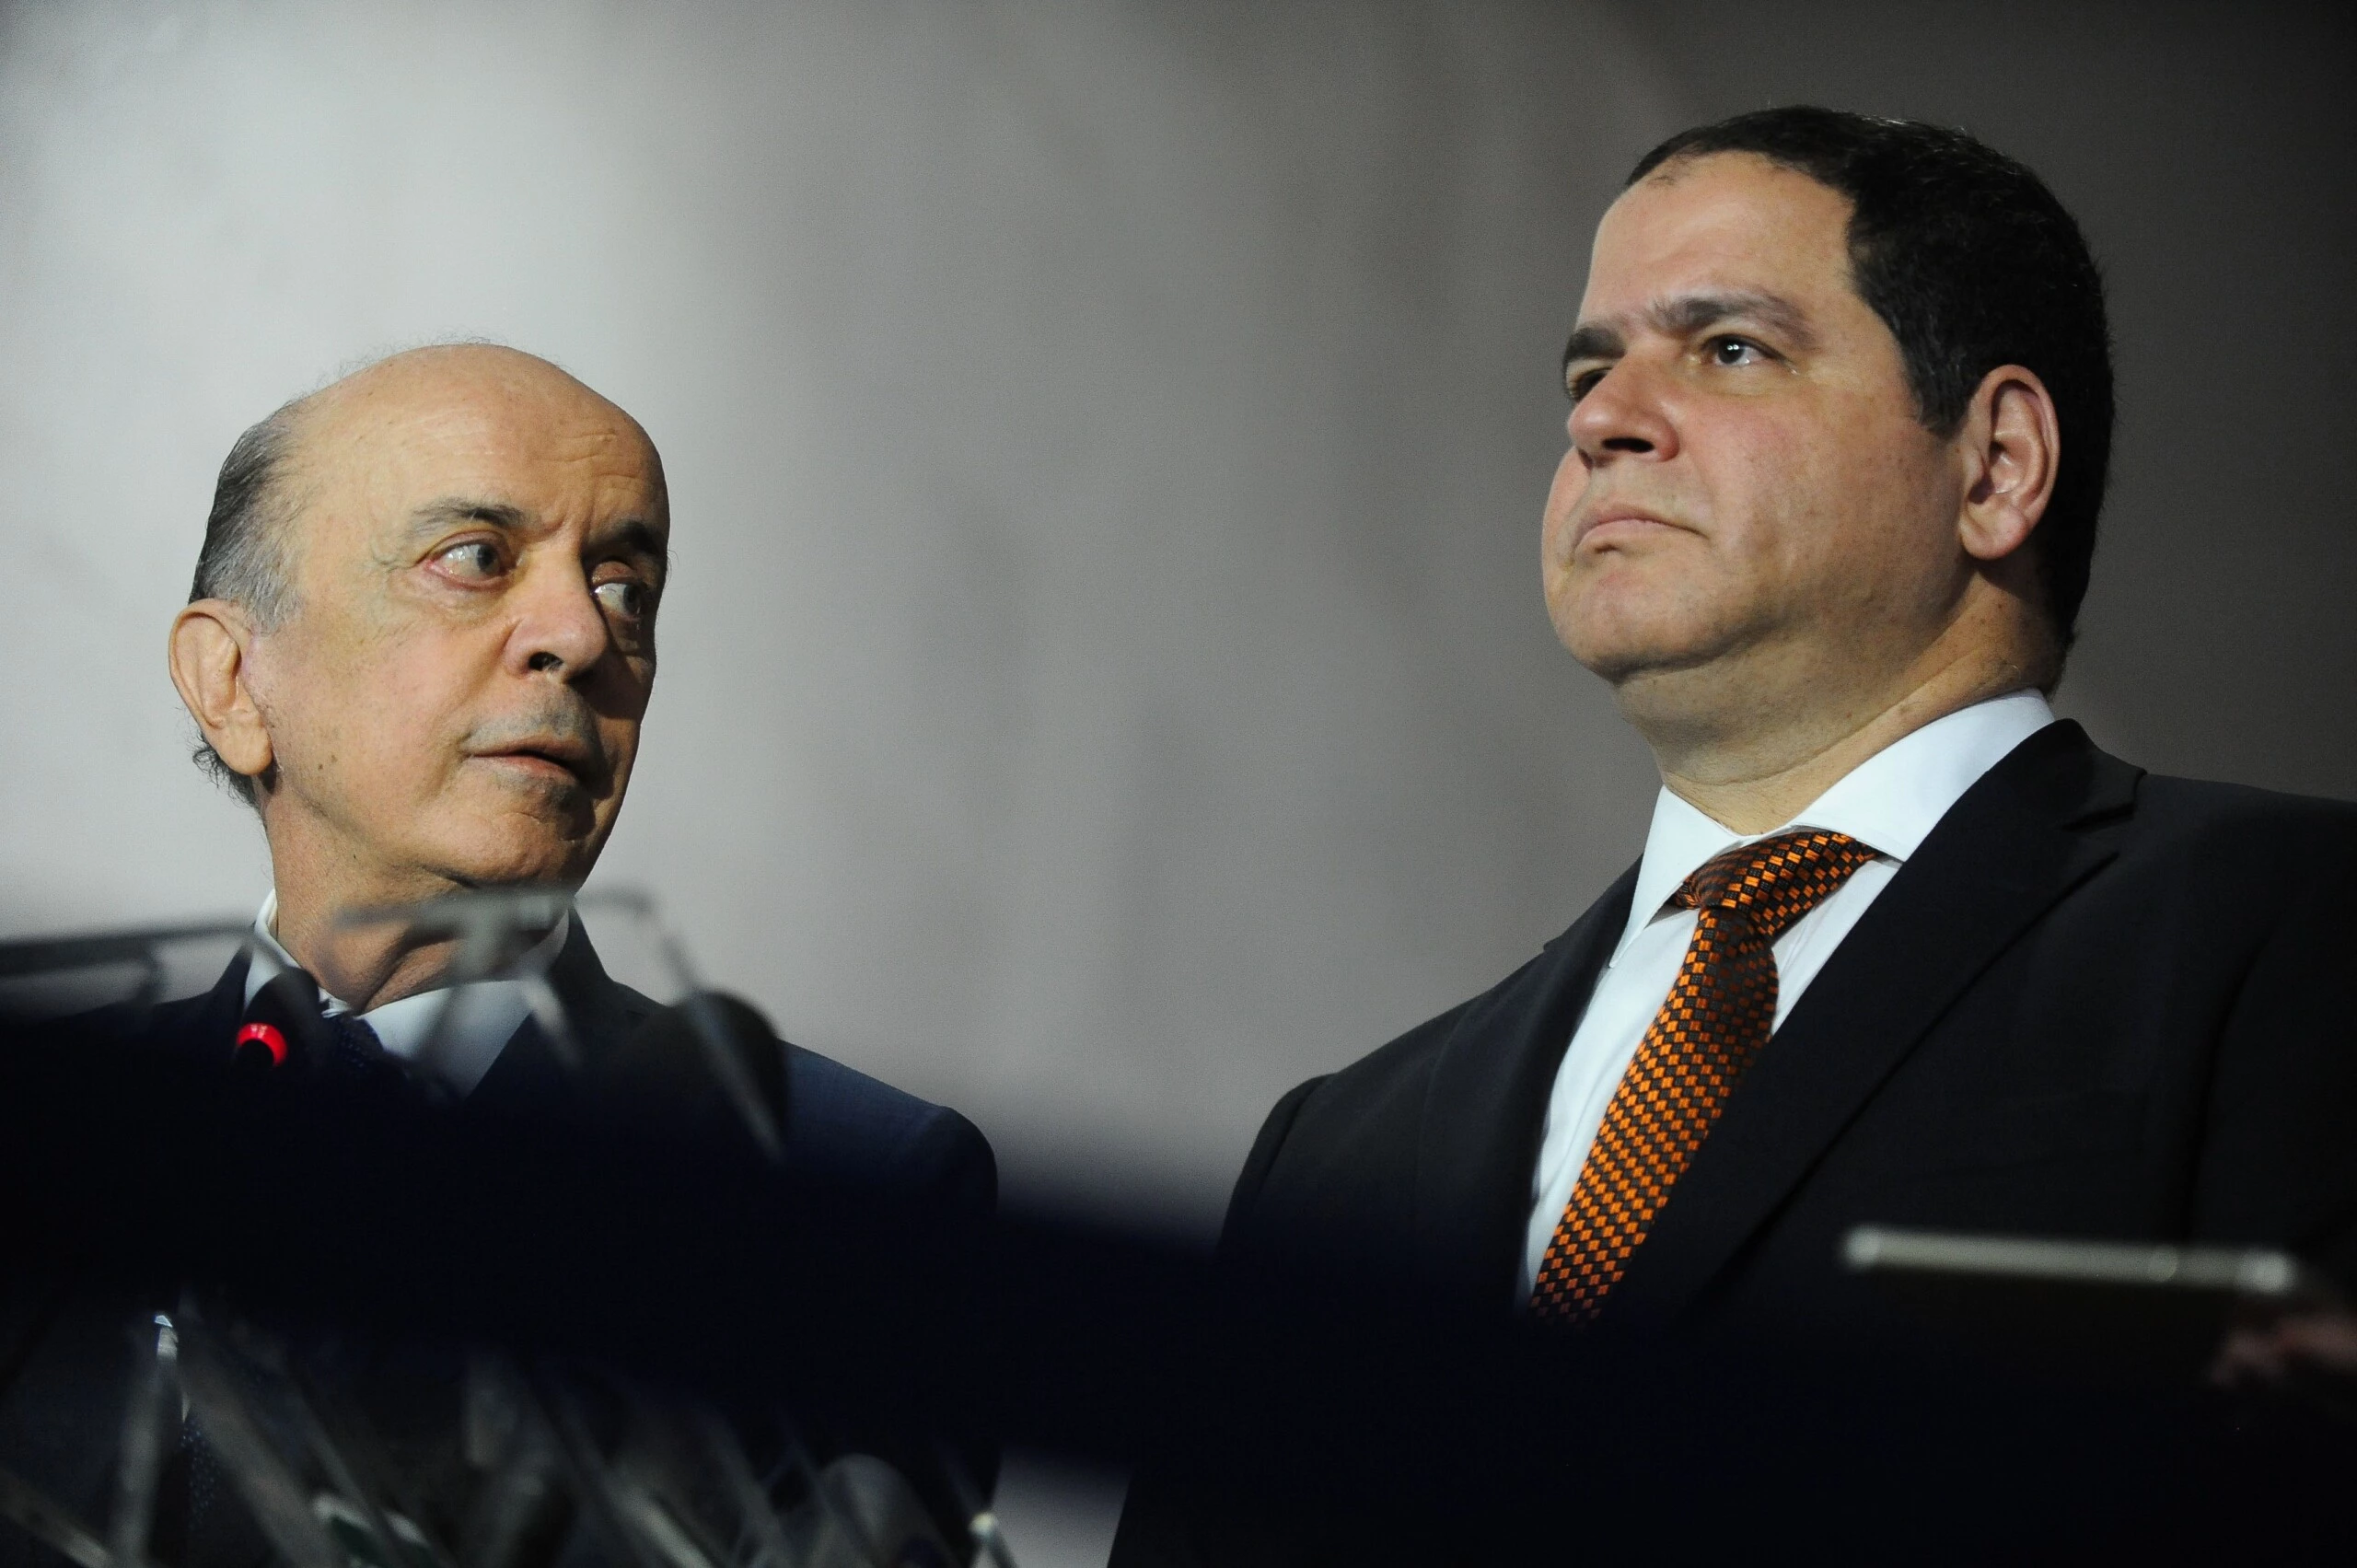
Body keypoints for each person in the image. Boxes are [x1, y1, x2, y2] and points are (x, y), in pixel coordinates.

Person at [1112, 106, 2357, 1560]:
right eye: (1590, 369)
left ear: (1997, 463)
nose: (1601, 418)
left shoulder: (2282, 931)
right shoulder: (1340, 1148)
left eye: (1728, 350)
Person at [0, 344, 994, 1564]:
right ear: (234, 679)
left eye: (627, 587)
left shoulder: (848, 1198)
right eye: (475, 558)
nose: (583, 633)